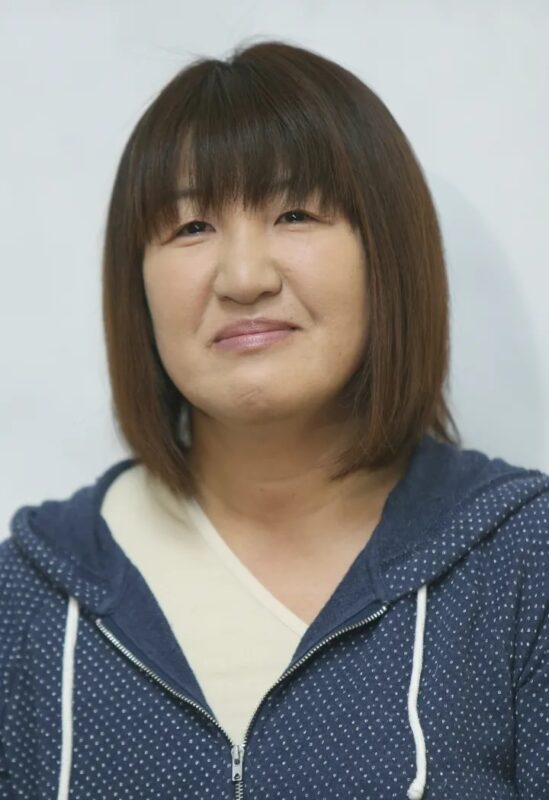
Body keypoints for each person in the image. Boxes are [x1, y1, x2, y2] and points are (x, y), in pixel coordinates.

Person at [1, 38, 548, 800]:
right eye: (191, 227)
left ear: (388, 255)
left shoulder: (522, 560)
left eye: (295, 213)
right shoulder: (32, 595)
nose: (243, 278)